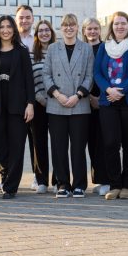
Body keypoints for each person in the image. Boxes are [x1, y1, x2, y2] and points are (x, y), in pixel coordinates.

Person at [94, 11, 128, 200]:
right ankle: (115, 184)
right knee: (110, 144)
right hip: (108, 101)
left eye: (123, 24)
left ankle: (127, 185)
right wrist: (108, 90)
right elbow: (97, 73)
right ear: (111, 27)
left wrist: (122, 90)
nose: (120, 27)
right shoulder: (104, 47)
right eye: (116, 24)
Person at [0, 15, 34, 200]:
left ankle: (10, 188)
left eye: (9, 26)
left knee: (16, 147)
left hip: (18, 107)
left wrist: (30, 104)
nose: (5, 30)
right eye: (2, 27)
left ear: (14, 29)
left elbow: (29, 80)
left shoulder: (22, 52)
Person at [44, 14, 94, 198]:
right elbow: (46, 74)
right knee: (58, 147)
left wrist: (78, 94)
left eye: (72, 25)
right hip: (57, 104)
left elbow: (90, 76)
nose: (69, 28)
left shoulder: (86, 49)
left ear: (77, 26)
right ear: (61, 28)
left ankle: (79, 184)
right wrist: (57, 94)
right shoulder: (52, 48)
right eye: (65, 25)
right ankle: (63, 184)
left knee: (78, 147)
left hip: (79, 104)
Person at [82, 17, 109, 197]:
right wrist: (89, 96)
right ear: (84, 31)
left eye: (95, 28)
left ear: (100, 30)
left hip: (104, 101)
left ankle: (107, 180)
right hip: (84, 100)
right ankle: (99, 179)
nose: (92, 32)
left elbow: (108, 72)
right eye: (89, 29)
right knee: (92, 142)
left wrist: (99, 98)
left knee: (104, 142)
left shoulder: (106, 48)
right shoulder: (82, 49)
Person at [30, 19, 56, 194]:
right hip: (38, 104)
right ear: (37, 34)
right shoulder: (31, 54)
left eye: (47, 30)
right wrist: (40, 98)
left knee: (57, 143)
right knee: (39, 143)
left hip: (57, 103)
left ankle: (57, 180)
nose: (44, 33)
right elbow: (28, 79)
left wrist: (55, 98)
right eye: (40, 31)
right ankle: (41, 180)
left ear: (52, 32)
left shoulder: (59, 52)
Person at [14, 4, 36, 190]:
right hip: (13, 99)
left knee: (36, 140)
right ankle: (8, 174)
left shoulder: (38, 40)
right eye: (21, 17)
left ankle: (39, 176)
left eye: (27, 17)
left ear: (32, 19)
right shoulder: (9, 39)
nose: (24, 20)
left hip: (36, 98)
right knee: (12, 140)